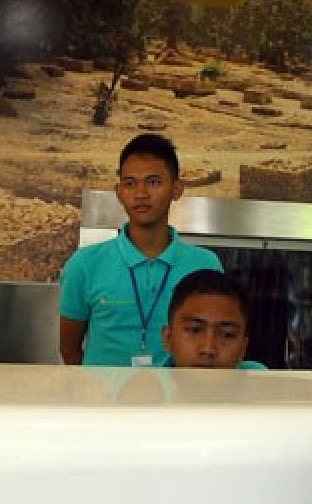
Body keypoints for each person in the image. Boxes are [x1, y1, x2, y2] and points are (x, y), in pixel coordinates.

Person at [59, 133, 223, 366]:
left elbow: (215, 342)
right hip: (105, 401)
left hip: (177, 399)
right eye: (130, 183)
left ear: (177, 189)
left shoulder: (205, 265)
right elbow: (69, 349)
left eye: (154, 182)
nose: (141, 194)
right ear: (119, 192)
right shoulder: (84, 264)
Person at [161, 269, 267, 370]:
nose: (208, 349)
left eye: (227, 334)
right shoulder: (147, 384)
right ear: (168, 338)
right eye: (195, 330)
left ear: (243, 348)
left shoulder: (265, 384)